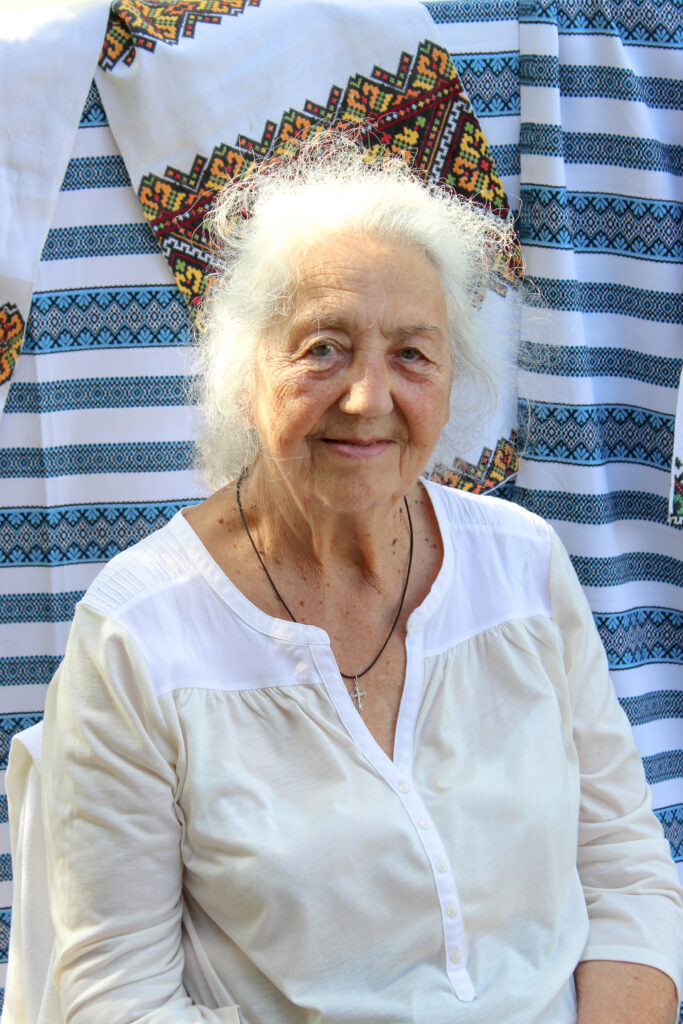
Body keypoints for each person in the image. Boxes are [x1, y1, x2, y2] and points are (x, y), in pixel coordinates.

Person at [41, 134, 683, 1024]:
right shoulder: (140, 633)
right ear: (247, 368)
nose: (367, 398)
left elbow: (626, 875)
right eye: (323, 348)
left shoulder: (522, 563)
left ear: (452, 380)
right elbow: (117, 1000)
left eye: (412, 354)